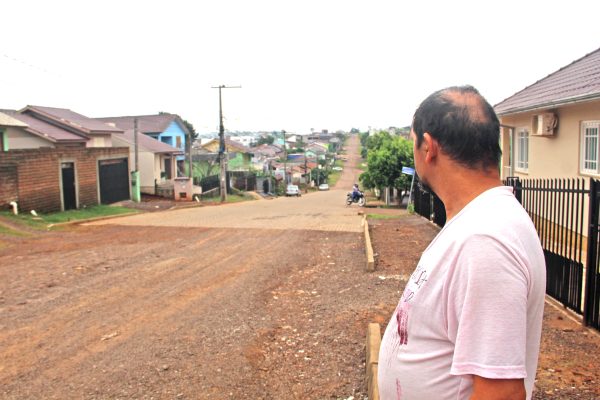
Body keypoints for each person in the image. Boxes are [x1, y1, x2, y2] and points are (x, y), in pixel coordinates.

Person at [378, 85, 546, 400]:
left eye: (413, 143)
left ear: (428, 147)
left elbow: (501, 394)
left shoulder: (486, 240)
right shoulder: (479, 222)